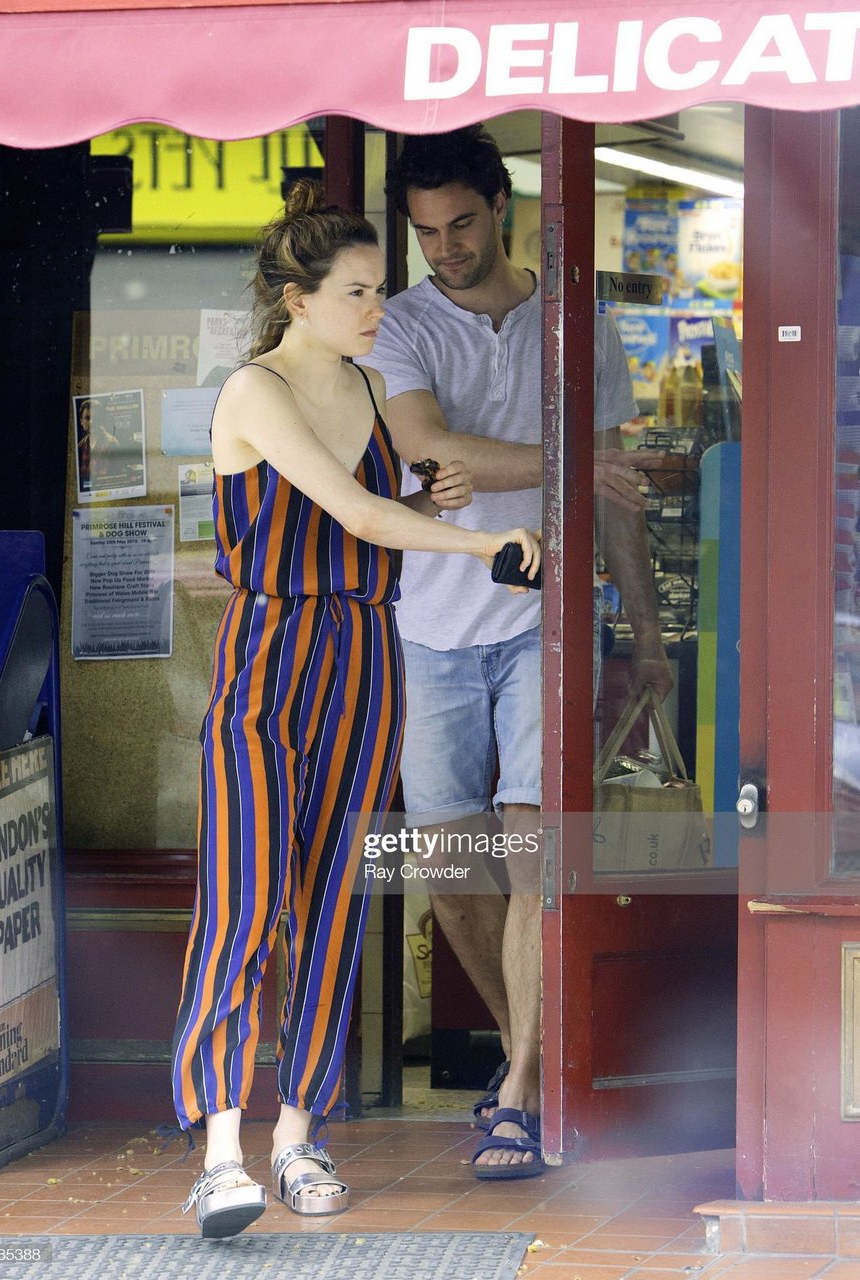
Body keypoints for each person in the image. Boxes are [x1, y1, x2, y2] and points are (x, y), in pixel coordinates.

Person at [170, 179, 542, 1238]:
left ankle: (298, 1135)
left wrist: (434, 499)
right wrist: (478, 541)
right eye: (357, 291)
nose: (377, 308)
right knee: (245, 900)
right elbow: (350, 513)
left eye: (379, 290)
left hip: (364, 656)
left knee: (336, 901)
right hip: (270, 654)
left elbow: (381, 510)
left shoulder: (369, 389)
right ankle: (219, 1149)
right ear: (298, 299)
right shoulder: (255, 389)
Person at [366, 125, 674, 1180]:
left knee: (533, 851)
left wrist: (645, 636)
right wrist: (573, 464)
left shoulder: (572, 321)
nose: (444, 248)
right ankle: (527, 1063)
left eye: (459, 224)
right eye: (424, 233)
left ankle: (521, 1093)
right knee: (448, 868)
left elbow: (620, 494)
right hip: (426, 629)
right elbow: (428, 447)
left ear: (501, 205)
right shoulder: (397, 326)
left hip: (547, 626)